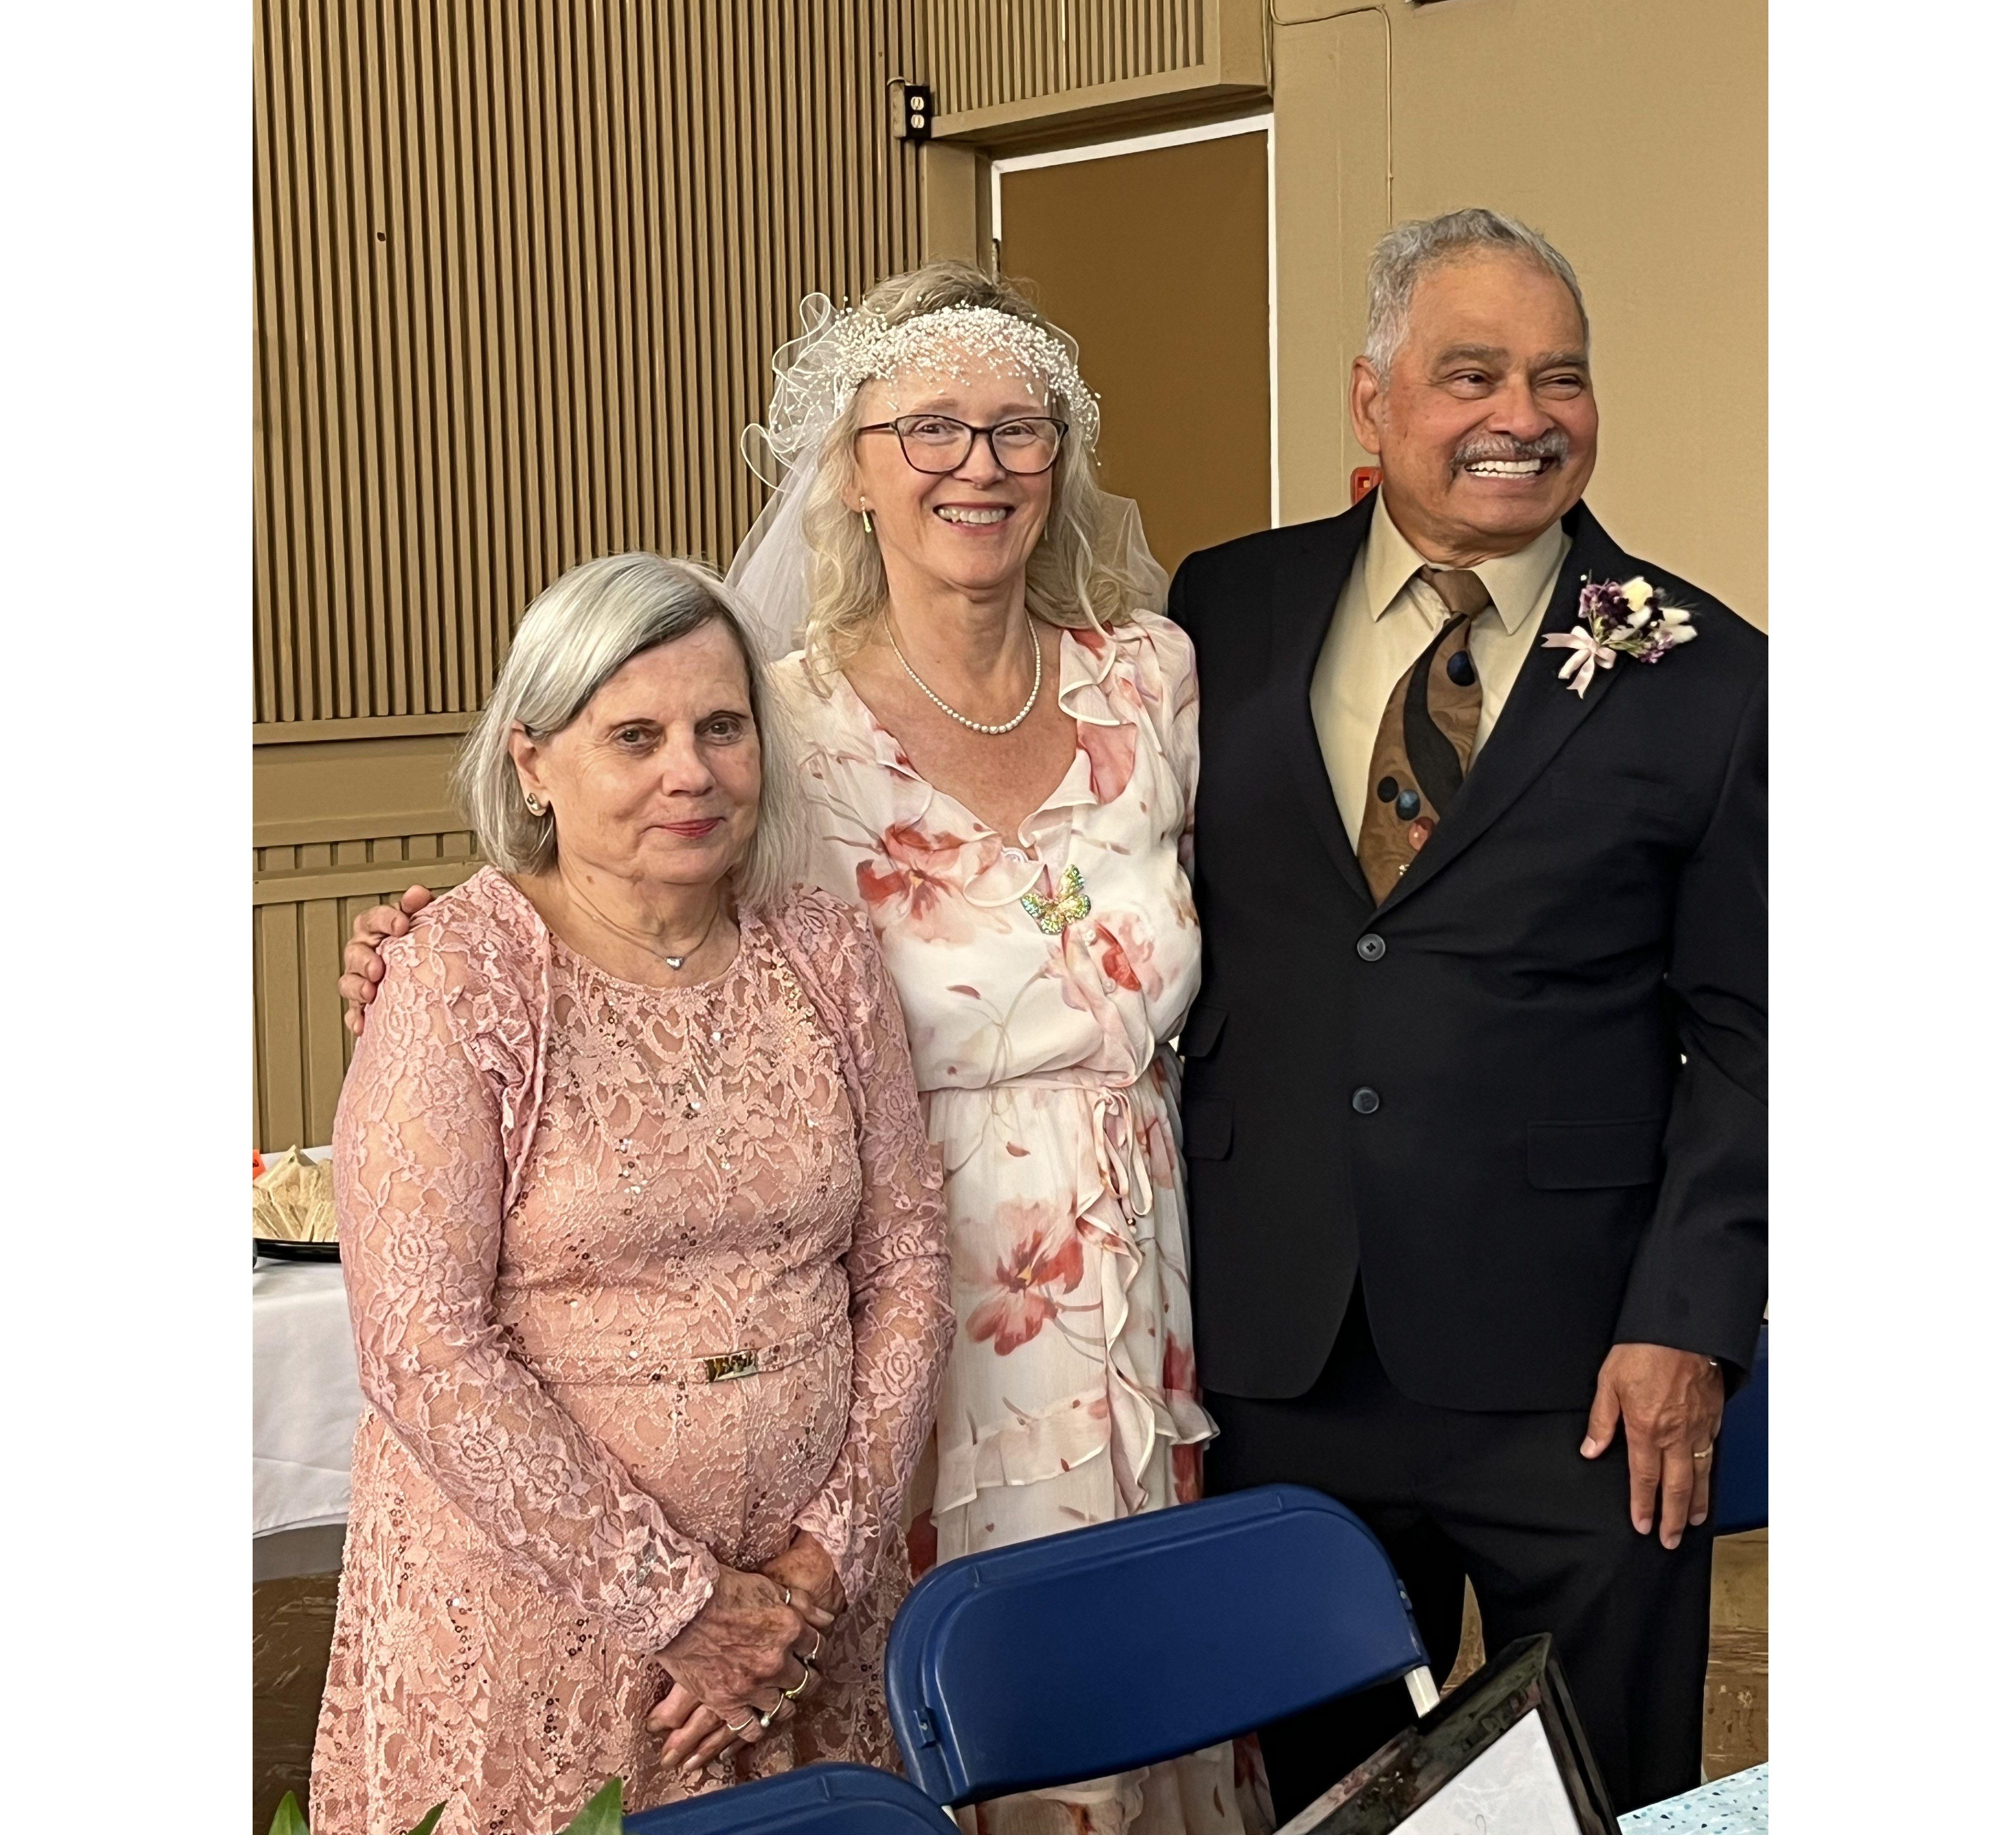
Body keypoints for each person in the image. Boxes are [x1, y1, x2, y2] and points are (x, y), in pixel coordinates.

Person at [343, 264, 1270, 1835]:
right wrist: (413, 953)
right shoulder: (772, 718)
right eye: (928, 427)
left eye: (1016, 426)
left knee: (1140, 1668)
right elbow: (635, 922)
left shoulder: (1151, 678)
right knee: (951, 1687)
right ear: (847, 462)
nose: (977, 463)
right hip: (901, 1296)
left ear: (1063, 453)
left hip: (1133, 1255)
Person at [1166, 209, 1766, 1816]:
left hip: (1583, 1377)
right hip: (1282, 1353)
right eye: (1473, 373)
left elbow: (1767, 1037)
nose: (1524, 415)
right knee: (1336, 1793)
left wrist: (1687, 1327)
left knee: (1613, 1790)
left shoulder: (1713, 676)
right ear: (1372, 401)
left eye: (1561, 377)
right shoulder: (1220, 610)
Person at [311, 555, 951, 1835]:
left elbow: (910, 1264)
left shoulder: (822, 951)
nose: (691, 772)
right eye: (635, 736)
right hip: (539, 1618)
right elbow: (422, 1348)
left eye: (722, 728)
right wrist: (687, 1610)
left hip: (804, 1628)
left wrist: (814, 1576)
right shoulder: (462, 975)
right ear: (533, 762)